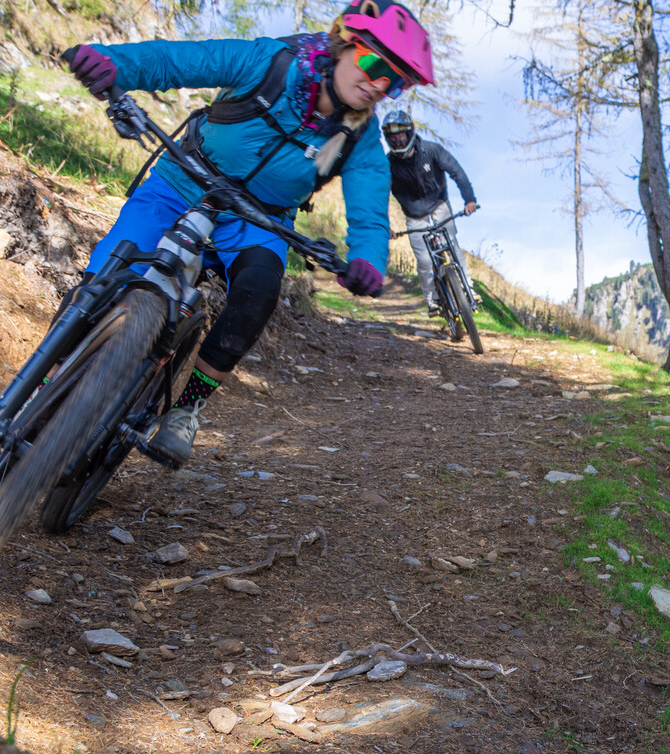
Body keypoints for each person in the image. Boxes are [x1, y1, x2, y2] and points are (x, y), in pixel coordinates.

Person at [58, 0, 434, 468]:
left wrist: (368, 261)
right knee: (105, 275)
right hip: (183, 183)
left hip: (258, 219)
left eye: (394, 82)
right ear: (343, 44)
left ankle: (187, 409)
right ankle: (50, 377)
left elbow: (370, 209)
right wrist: (114, 64)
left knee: (258, 292)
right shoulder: (269, 63)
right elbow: (182, 60)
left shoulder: (360, 139)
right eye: (375, 65)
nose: (378, 85)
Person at [382, 110, 478, 305]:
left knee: (452, 245)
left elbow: (457, 171)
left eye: (400, 135)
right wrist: (386, 225)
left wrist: (469, 199)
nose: (397, 140)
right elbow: (381, 196)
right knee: (425, 260)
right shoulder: (388, 165)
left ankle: (467, 287)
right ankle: (432, 299)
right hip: (414, 215)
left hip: (439, 204)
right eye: (392, 137)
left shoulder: (432, 150)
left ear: (409, 133)